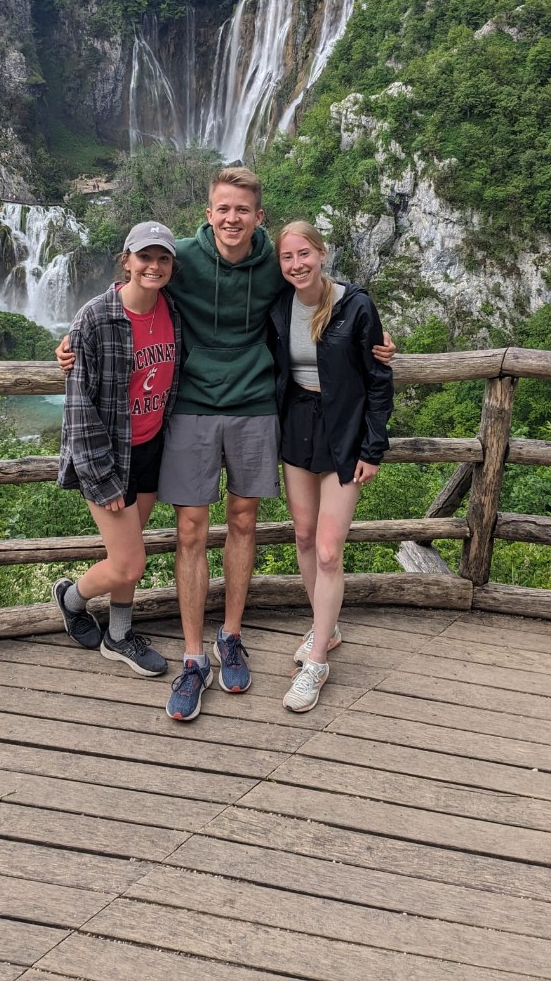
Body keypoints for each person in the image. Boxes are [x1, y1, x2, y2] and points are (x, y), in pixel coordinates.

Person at [56, 167, 395, 720]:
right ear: (208, 213)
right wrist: (77, 333)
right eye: (223, 209)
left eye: (243, 210)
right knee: (190, 529)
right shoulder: (183, 257)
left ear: (258, 216)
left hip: (257, 407)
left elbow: (326, 292)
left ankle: (230, 636)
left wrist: (377, 341)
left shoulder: (274, 264)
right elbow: (138, 280)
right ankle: (194, 657)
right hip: (190, 408)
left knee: (243, 522)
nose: (232, 219)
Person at [270, 220, 394, 713]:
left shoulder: (355, 306)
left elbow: (378, 378)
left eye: (305, 254)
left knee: (327, 550)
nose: (297, 264)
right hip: (296, 424)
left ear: (322, 254)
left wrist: (373, 447)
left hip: (344, 432)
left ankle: (316, 661)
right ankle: (327, 625)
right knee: (302, 535)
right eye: (288, 258)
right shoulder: (278, 306)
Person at [53, 220, 181, 678]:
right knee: (129, 563)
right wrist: (100, 476)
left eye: (163, 258)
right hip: (107, 456)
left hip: (148, 448)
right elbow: (78, 409)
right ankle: (69, 598)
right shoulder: (94, 317)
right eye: (144, 257)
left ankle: (119, 635)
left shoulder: (172, 309)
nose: (154, 265)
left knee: (128, 557)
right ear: (126, 261)